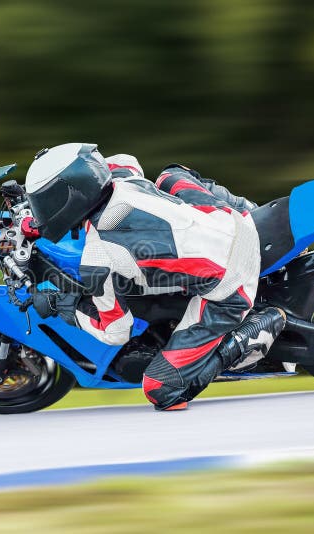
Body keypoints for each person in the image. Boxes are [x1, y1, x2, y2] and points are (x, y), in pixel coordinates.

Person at [24, 143, 286, 411]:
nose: (43, 208)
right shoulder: (123, 177)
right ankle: (253, 208)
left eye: (46, 201)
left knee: (161, 391)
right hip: (233, 219)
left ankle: (250, 336)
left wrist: (61, 305)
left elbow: (116, 332)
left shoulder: (99, 256)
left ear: (69, 196)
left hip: (231, 282)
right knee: (170, 175)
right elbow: (124, 159)